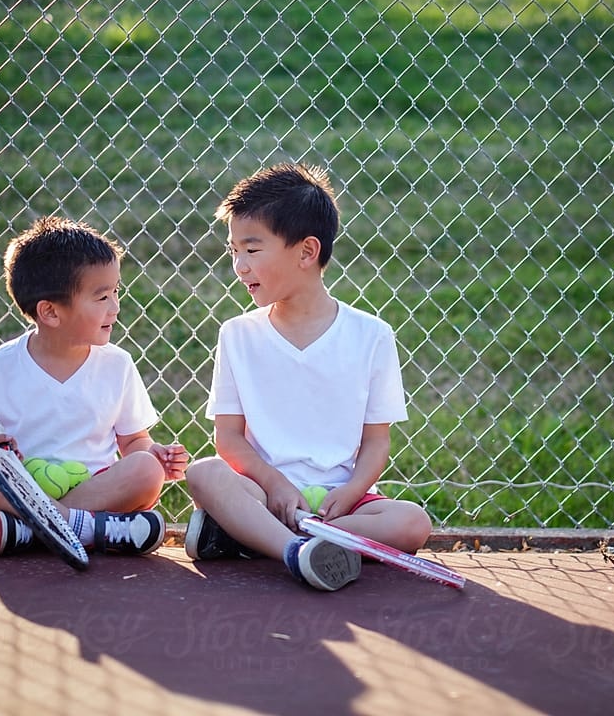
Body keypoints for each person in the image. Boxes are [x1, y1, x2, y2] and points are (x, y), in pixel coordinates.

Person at [184, 162, 432, 591]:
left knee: (412, 522)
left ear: (306, 251)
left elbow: (376, 441)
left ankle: (253, 537)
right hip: (263, 492)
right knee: (204, 473)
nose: (239, 266)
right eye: (233, 251)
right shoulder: (238, 334)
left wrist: (352, 491)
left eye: (252, 250)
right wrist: (275, 484)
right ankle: (297, 550)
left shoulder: (371, 336)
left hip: (341, 502)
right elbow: (228, 439)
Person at [0, 216, 188, 558]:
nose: (115, 308)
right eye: (101, 297)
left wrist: (154, 452)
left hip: (92, 492)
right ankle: (85, 530)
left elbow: (134, 441)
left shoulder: (117, 364)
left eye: (116, 292)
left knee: (146, 470)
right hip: (15, 495)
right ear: (50, 313)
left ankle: (31, 532)